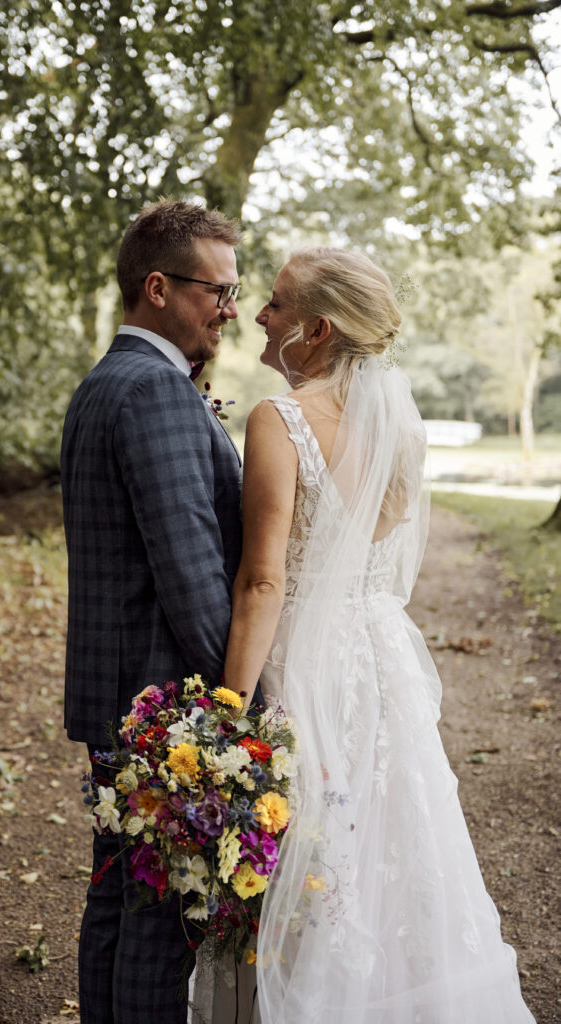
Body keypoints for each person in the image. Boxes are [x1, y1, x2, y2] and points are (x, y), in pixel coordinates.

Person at [220, 248, 535, 1022]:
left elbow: (263, 581)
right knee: (394, 843)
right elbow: (376, 539)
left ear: (317, 330)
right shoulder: (397, 426)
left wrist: (225, 712)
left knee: (312, 847)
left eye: (276, 303)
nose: (258, 314)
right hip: (378, 654)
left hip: (306, 663)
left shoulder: (278, 419)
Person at [60, 199, 243, 1024]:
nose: (229, 309)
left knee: (117, 893)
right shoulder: (155, 391)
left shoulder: (105, 383)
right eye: (217, 290)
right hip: (162, 703)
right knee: (161, 916)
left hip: (115, 691)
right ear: (159, 287)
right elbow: (192, 572)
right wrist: (236, 704)